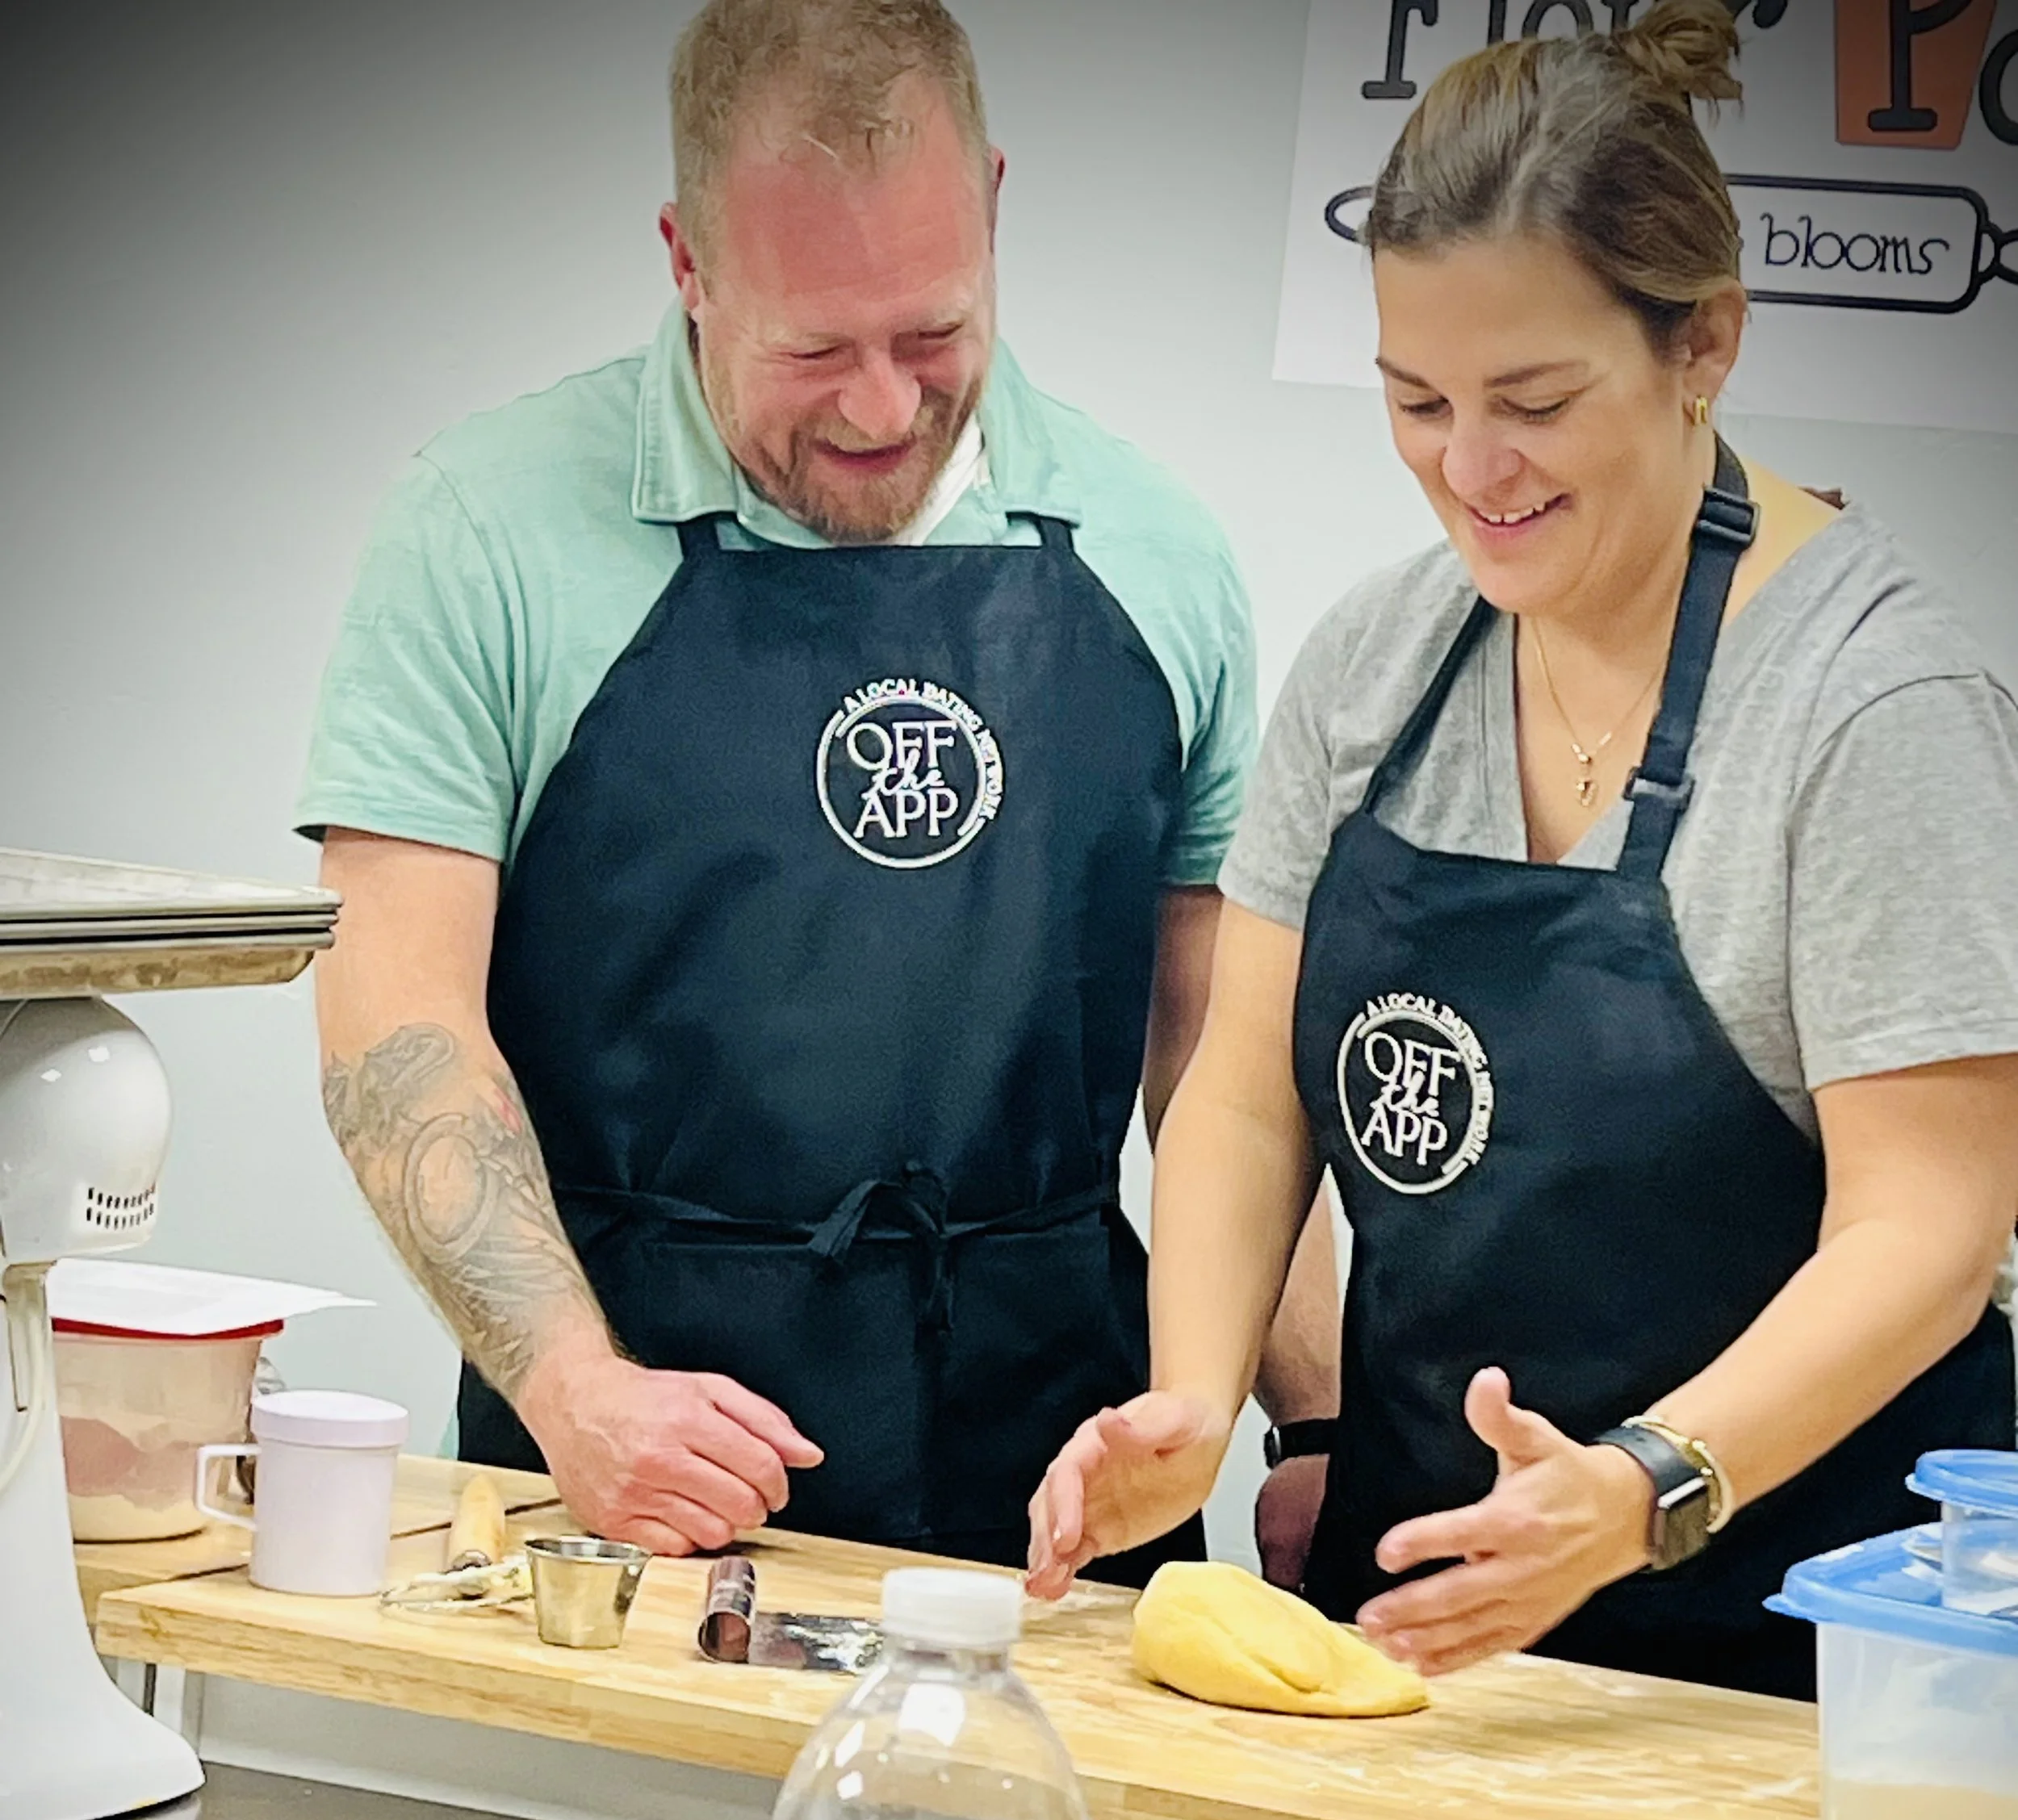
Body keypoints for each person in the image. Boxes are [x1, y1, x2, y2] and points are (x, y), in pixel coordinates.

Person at [1028, 2, 2018, 1697]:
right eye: (1414, 399)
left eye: (1531, 401)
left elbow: (1925, 1224)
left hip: (1793, 1666)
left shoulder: (1869, 704)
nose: (1466, 470)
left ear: (1700, 341)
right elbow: (1252, 1090)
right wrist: (1192, 1398)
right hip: (1417, 1633)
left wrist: (1641, 1486)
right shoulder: (1378, 665)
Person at [304, 0, 1338, 1576]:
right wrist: (576, 1395)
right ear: (686, 259)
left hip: (1059, 1510)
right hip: (629, 1504)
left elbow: (1218, 1053)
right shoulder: (485, 534)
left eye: (932, 338)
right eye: (810, 351)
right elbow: (395, 1013)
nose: (877, 410)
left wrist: (1318, 1423)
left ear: (993, 208)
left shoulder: (1157, 553)